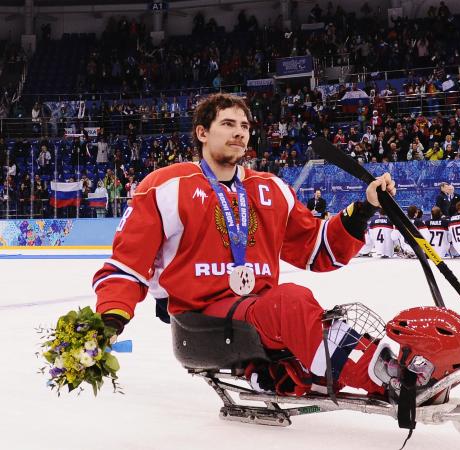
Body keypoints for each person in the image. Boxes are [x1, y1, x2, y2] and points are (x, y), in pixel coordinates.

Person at [92, 93, 412, 400]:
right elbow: (127, 266)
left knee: (296, 307)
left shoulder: (271, 189)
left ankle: (302, 372)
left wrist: (366, 207)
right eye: (228, 124)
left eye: (245, 126)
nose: (240, 133)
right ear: (202, 132)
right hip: (201, 321)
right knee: (289, 301)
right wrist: (109, 322)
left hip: (259, 311)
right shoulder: (165, 187)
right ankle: (390, 380)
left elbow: (317, 249)